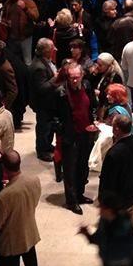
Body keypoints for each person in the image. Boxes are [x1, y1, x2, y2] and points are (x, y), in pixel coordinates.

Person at [52, 63, 99, 214]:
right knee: (70, 170)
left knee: (83, 167)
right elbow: (53, 117)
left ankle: (80, 194)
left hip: (86, 134)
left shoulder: (86, 86)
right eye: (71, 78)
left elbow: (92, 105)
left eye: (76, 77)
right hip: (70, 137)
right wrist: (63, 131)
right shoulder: (60, 93)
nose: (74, 81)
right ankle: (72, 201)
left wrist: (93, 121)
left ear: (82, 76)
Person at [98, 114, 133, 222]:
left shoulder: (114, 153)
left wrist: (103, 202)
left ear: (117, 129)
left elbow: (107, 181)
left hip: (118, 201)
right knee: (131, 223)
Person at [28, 38, 59, 161]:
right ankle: (42, 151)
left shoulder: (45, 61)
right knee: (43, 128)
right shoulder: (39, 67)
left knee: (49, 126)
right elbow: (42, 88)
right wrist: (55, 78)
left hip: (49, 103)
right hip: (43, 104)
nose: (55, 49)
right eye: (52, 48)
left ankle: (47, 145)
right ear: (46, 51)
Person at [0, 0, 39, 65]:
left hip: (25, 38)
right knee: (13, 62)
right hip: (12, 38)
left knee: (27, 61)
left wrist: (25, 8)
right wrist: (5, 22)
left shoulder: (28, 2)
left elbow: (36, 16)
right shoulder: (8, 3)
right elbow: (2, 17)